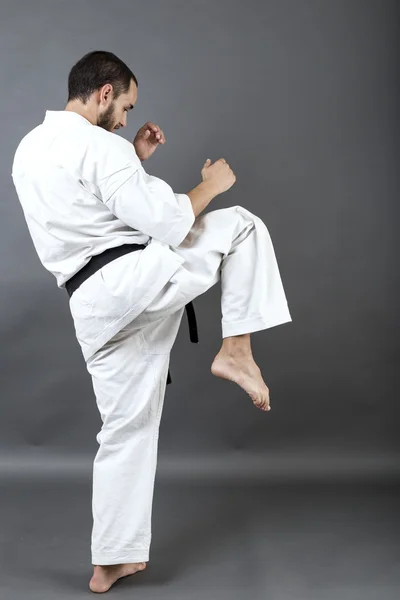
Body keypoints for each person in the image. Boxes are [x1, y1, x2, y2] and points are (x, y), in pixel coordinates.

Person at [11, 50, 292, 593]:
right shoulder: (100, 145)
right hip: (133, 282)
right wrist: (212, 182)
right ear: (104, 92)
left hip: (91, 305)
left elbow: (88, 211)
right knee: (241, 225)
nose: (125, 119)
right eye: (125, 107)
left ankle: (109, 561)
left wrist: (133, 160)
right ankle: (235, 349)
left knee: (125, 429)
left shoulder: (29, 149)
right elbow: (165, 222)